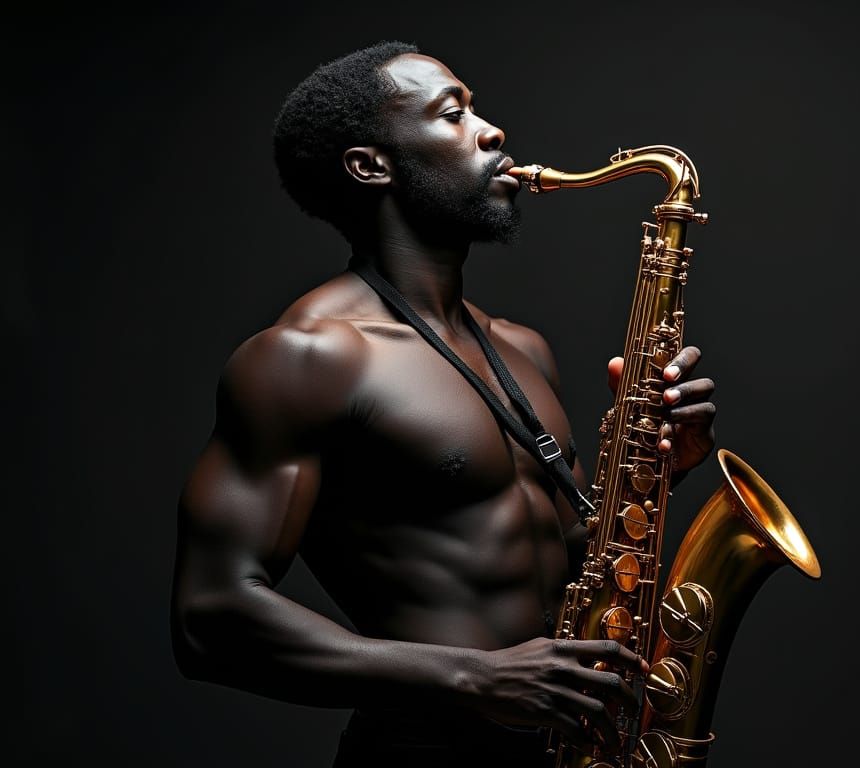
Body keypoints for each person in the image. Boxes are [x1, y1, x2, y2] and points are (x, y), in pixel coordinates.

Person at [170, 41, 717, 767]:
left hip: (570, 749)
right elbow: (210, 617)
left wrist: (659, 470)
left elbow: (565, 561)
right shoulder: (311, 357)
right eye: (453, 114)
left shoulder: (521, 347)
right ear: (372, 165)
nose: (492, 131)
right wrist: (472, 677)